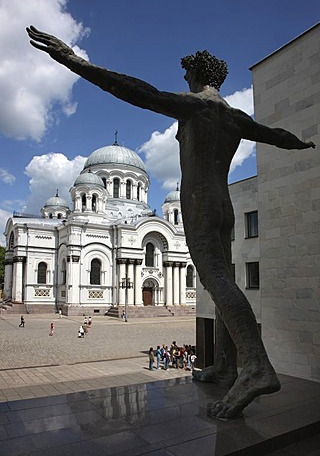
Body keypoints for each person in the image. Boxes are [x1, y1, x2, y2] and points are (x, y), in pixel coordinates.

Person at [26, 26, 316, 420]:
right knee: (221, 282)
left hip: (198, 204)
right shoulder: (234, 115)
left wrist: (71, 59)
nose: (184, 81)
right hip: (225, 205)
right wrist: (299, 142)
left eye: (186, 77)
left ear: (196, 76)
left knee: (216, 281)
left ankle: (256, 367)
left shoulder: (197, 106)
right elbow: (275, 134)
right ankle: (228, 366)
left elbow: (132, 89)